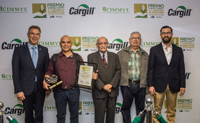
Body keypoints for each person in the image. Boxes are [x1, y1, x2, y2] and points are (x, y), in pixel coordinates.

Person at [43, 35, 91, 123]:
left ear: (71, 44)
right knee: (60, 116)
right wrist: (45, 79)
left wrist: (91, 76)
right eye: (63, 42)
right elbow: (49, 71)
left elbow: (84, 73)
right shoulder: (55, 57)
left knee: (74, 115)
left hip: (74, 91)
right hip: (59, 91)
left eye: (68, 42)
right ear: (60, 44)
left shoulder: (77, 57)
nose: (66, 44)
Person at [147, 25, 186, 123]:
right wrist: (151, 85)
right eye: (164, 33)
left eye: (168, 33)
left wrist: (182, 85)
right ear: (160, 35)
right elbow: (151, 69)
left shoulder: (178, 50)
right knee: (157, 110)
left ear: (171, 34)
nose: (166, 35)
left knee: (171, 110)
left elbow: (181, 69)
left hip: (174, 84)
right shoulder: (154, 50)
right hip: (158, 85)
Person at [12, 25, 49, 123]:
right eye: (32, 33)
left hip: (40, 88)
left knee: (39, 115)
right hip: (25, 89)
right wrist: (18, 90)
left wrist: (48, 86)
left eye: (37, 34)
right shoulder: (19, 50)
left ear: (39, 36)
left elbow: (47, 70)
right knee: (28, 116)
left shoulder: (44, 50)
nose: (35, 36)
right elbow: (15, 72)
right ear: (28, 35)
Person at [87, 37, 121, 123]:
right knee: (99, 118)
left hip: (112, 91)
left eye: (105, 43)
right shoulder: (91, 57)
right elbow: (91, 73)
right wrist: (103, 86)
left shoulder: (114, 56)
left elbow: (118, 71)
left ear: (108, 44)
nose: (103, 45)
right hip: (99, 92)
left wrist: (111, 85)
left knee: (111, 118)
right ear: (97, 45)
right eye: (100, 43)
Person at [117, 32, 148, 123]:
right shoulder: (121, 53)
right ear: (129, 40)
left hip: (141, 84)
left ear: (140, 40)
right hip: (127, 84)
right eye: (133, 38)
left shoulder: (145, 54)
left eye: (138, 38)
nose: (135, 40)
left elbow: (149, 71)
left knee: (141, 109)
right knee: (125, 108)